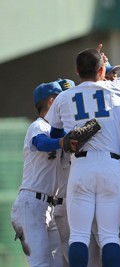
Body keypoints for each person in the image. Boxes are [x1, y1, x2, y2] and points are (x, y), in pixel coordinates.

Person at [45, 43, 120, 267]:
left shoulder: (64, 97)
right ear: (103, 71)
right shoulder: (116, 90)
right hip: (110, 165)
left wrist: (68, 136)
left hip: (81, 165)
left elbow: (55, 134)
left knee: (79, 235)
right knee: (109, 236)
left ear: (76, 71)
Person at [11, 81, 63, 266]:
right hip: (31, 204)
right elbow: (41, 143)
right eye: (60, 98)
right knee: (40, 263)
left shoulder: (56, 129)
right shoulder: (39, 126)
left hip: (49, 206)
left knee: (59, 263)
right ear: (51, 101)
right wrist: (63, 142)